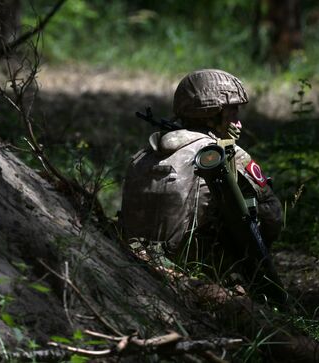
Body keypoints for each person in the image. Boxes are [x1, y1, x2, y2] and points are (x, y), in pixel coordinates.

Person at [121, 69, 283, 285]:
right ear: (213, 113)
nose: (238, 123)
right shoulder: (222, 153)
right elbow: (272, 218)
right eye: (233, 113)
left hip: (133, 267)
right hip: (201, 275)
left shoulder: (144, 155)